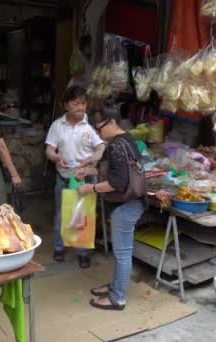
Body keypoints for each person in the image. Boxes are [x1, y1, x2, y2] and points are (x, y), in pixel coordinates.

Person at [76, 108, 146, 311]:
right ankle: (115, 286)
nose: (98, 135)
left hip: (127, 204)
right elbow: (108, 170)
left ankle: (118, 297)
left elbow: (118, 182)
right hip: (130, 202)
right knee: (120, 251)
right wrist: (88, 170)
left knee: (123, 253)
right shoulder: (124, 140)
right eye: (95, 131)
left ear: (112, 122)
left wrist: (91, 188)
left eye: (99, 130)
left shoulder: (117, 146)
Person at [45, 86, 105, 268]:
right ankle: (59, 247)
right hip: (63, 178)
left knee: (83, 216)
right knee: (62, 215)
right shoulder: (57, 126)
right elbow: (49, 150)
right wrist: (57, 157)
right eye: (76, 103)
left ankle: (83, 252)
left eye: (83, 103)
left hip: (84, 179)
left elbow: (101, 148)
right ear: (66, 105)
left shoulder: (90, 126)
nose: (81, 107)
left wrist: (92, 158)